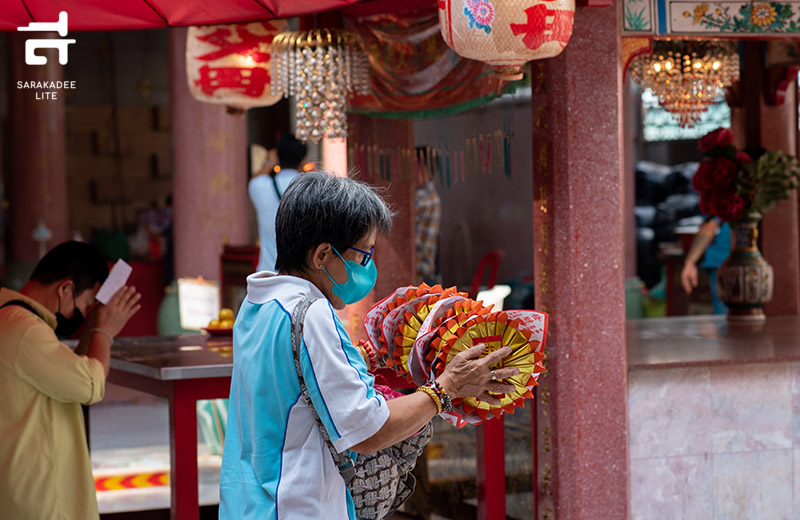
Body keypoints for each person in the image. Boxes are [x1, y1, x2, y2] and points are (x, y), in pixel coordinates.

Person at [219, 172, 517, 519]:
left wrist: (354, 359)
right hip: (296, 508)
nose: (368, 268)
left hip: (248, 505)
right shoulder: (311, 313)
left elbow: (286, 389)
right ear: (322, 256)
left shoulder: (258, 304)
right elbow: (366, 430)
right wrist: (445, 389)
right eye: (363, 256)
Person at [0, 241, 141, 519]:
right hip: (42, 496)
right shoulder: (25, 330)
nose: (85, 312)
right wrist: (104, 330)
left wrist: (93, 325)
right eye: (87, 303)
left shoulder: (12, 318)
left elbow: (67, 373)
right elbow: (89, 384)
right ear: (65, 289)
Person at [249, 134, 308, 272]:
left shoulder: (260, 186)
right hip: (299, 275)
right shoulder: (310, 188)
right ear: (303, 160)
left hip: (267, 273)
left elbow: (253, 179)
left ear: (277, 157)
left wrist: (269, 162)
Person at [680, 217, 731, 314]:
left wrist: (690, 262)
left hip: (722, 262)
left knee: (725, 321)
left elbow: (710, 226)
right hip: (725, 261)